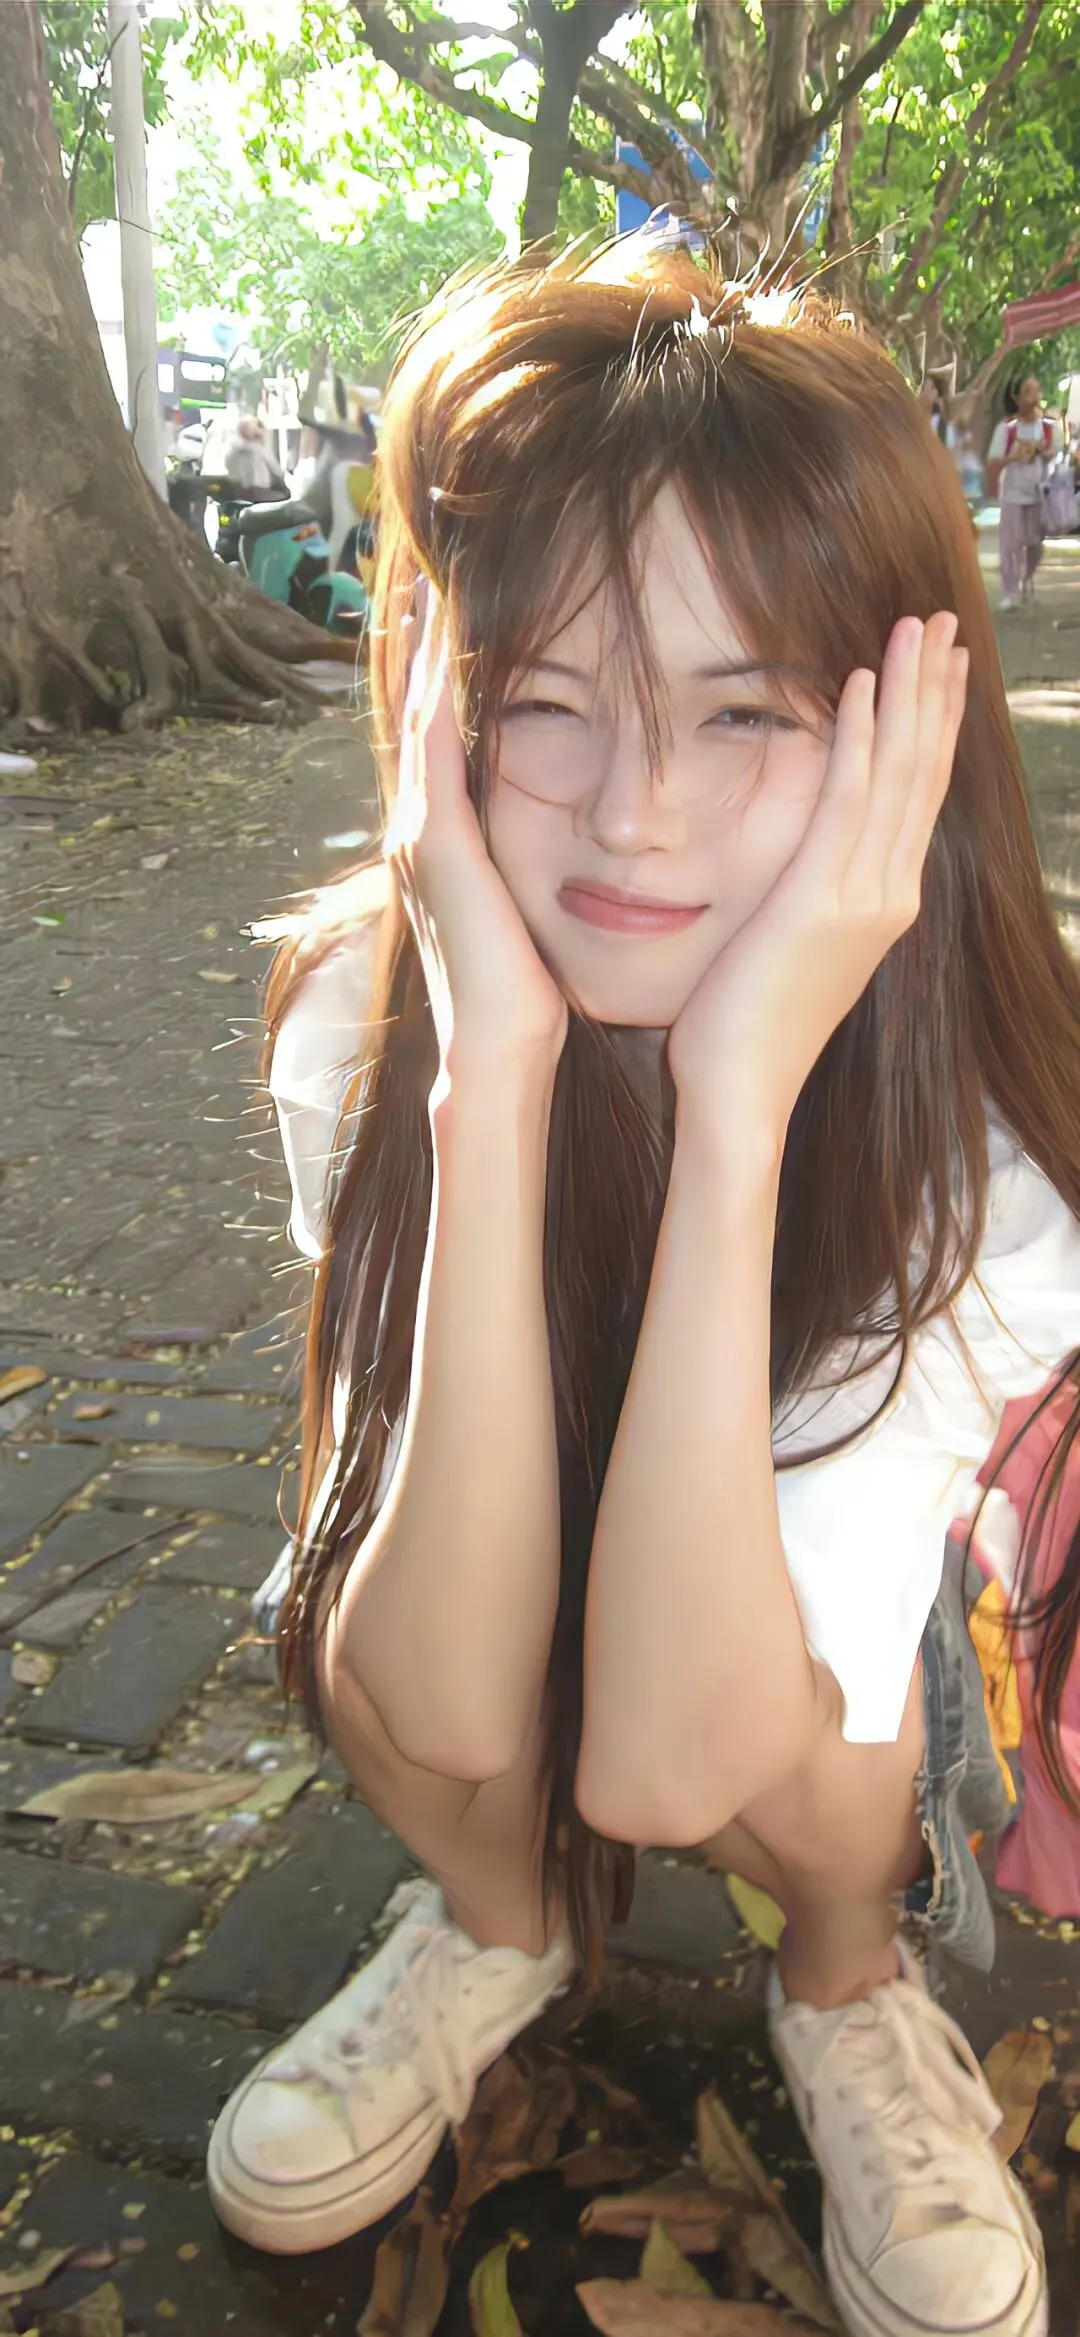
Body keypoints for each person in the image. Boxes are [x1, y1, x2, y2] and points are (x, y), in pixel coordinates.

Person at [208, 239, 1080, 2337]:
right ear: (434, 707)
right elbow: (436, 1687)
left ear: (898, 736)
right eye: (547, 700)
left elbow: (680, 1764)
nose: (633, 812)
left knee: (836, 1763)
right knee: (361, 1632)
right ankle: (498, 1922)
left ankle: (845, 1986)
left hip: (797, 1686)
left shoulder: (988, 1165)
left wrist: (741, 1102)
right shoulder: (359, 1016)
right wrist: (489, 1081)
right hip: (495, 1573)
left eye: (741, 708)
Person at [986, 376, 1062, 611]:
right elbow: (995, 458)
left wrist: (1041, 451)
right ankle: (1010, 591)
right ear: (1018, 397)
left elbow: (1055, 453)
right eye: (1028, 391)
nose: (1033, 396)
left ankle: (1027, 579)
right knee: (1010, 545)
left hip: (1039, 494)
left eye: (1037, 390)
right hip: (1012, 494)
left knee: (1035, 545)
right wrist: (1015, 455)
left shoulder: (1049, 428)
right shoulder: (1006, 429)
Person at [223, 414, 285, 497]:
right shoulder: (261, 450)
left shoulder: (231, 451)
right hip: (260, 493)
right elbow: (278, 472)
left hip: (237, 493)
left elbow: (228, 467)